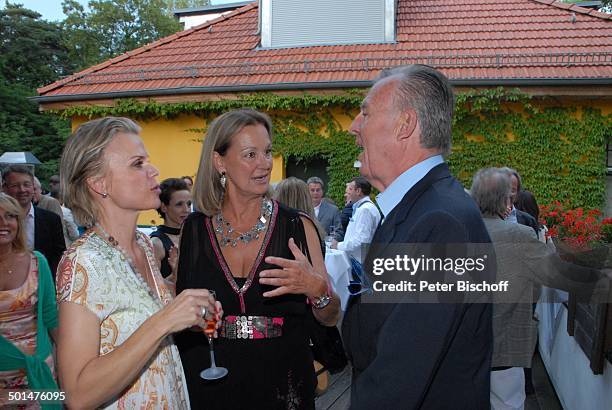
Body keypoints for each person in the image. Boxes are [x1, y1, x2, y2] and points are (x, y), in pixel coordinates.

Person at [342, 64, 493, 409]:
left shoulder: (440, 222)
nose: (354, 126)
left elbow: (396, 381)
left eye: (365, 112)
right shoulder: (421, 208)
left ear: (404, 124)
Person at [175, 109, 340, 410]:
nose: (264, 164)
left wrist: (317, 291)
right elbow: (185, 315)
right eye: (251, 154)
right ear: (219, 162)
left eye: (267, 152)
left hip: (283, 381)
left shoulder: (297, 226)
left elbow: (330, 317)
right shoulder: (195, 230)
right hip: (212, 378)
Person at [55, 116, 219, 409]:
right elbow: (77, 395)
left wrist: (188, 316)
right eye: (137, 163)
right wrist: (165, 320)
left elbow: (136, 329)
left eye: (147, 161)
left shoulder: (143, 245)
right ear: (99, 183)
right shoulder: (84, 261)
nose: (153, 170)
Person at [470, 167, 608, 410]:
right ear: (505, 200)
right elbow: (561, 275)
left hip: (463, 349)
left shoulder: (458, 233)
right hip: (506, 347)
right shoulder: (519, 235)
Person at [0, 193, 60, 408]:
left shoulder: (37, 261)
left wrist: (70, 364)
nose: (4, 223)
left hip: (39, 374)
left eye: (10, 216)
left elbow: (50, 316)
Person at [2, 165, 65, 280]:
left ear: (33, 187)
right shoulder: (2, 223)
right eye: (15, 185)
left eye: (26, 185)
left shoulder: (51, 220)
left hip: (43, 285)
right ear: (4, 188)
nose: (22, 190)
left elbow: (59, 256)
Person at [330, 176, 381, 264]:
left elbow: (361, 240)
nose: (347, 192)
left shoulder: (365, 210)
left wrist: (338, 245)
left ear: (358, 191)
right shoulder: (362, 208)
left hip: (360, 263)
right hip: (358, 261)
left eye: (350, 189)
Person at [151, 177, 192, 279]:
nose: (186, 210)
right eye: (179, 204)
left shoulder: (195, 236)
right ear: (164, 207)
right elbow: (153, 289)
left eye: (189, 204)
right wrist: (174, 275)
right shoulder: (156, 243)